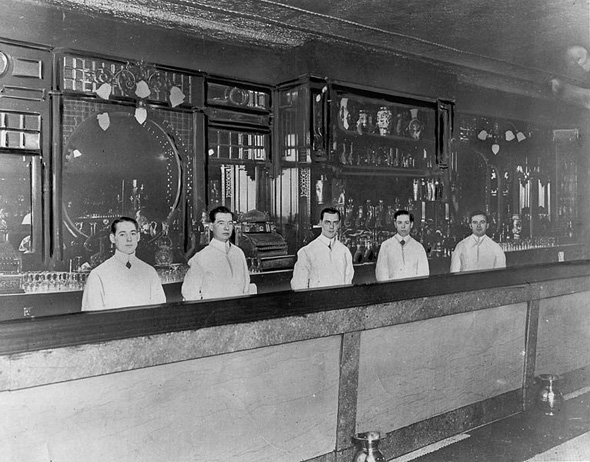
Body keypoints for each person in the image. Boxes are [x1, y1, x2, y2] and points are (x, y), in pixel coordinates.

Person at [81, 216, 166, 311]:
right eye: (122, 234)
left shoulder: (150, 272)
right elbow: (92, 320)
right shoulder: (98, 276)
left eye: (133, 234)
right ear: (112, 238)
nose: (129, 239)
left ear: (138, 237)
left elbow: (160, 314)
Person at [182, 206, 253, 300]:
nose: (227, 228)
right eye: (221, 223)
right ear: (211, 226)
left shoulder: (238, 253)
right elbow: (189, 294)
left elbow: (246, 287)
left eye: (230, 223)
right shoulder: (201, 257)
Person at [290, 207, 354, 290]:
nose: (331, 226)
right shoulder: (306, 252)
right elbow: (299, 287)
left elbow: (348, 284)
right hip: (316, 301)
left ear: (339, 224)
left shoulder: (345, 252)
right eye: (327, 222)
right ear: (320, 223)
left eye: (335, 222)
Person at [375, 210, 429, 281]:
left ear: (411, 224)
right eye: (399, 223)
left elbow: (424, 274)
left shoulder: (418, 247)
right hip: (392, 289)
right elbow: (381, 274)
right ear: (395, 224)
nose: (403, 226)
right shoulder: (386, 246)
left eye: (406, 223)